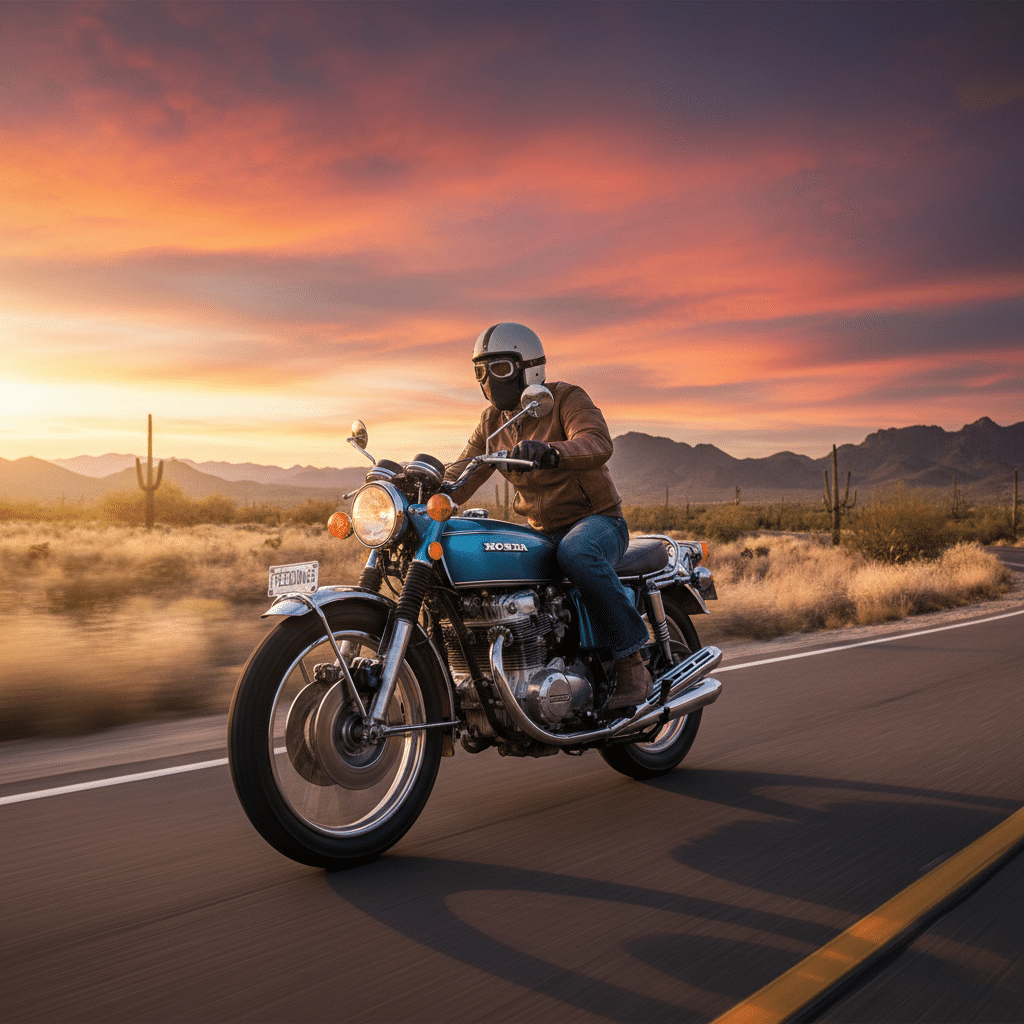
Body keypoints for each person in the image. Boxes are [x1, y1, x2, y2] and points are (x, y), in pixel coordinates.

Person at [445, 322, 653, 708]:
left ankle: (632, 659)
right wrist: (425, 488)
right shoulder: (492, 423)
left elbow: (596, 441)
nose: (489, 380)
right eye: (480, 370)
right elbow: (463, 472)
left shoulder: (565, 398)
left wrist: (552, 451)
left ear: (530, 367)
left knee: (577, 554)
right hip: (541, 531)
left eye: (499, 368)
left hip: (597, 521)